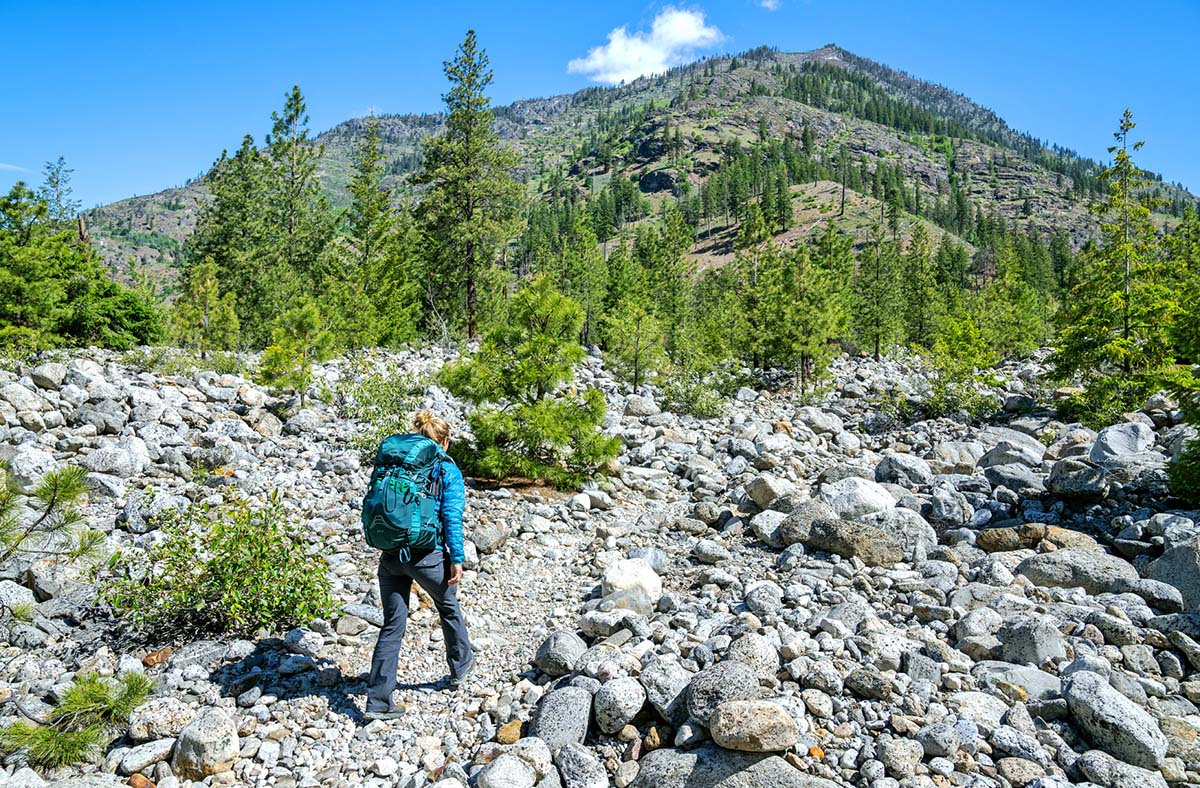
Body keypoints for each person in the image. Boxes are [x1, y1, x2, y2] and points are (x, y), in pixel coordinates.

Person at [365, 411, 473, 720]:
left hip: (391, 555)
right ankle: (461, 666)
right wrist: (456, 558)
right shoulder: (445, 468)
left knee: (392, 624)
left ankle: (379, 701)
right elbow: (451, 515)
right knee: (448, 605)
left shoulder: (396, 465)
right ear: (445, 442)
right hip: (427, 555)